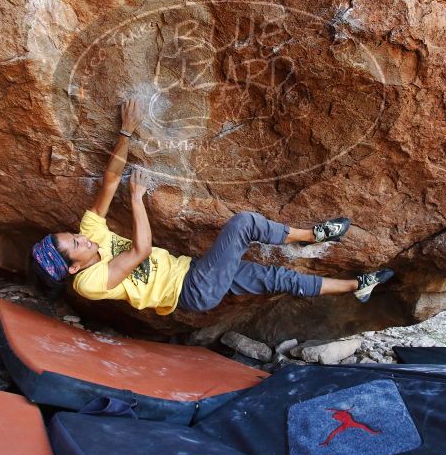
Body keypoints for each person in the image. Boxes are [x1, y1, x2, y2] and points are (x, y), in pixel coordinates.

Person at [30, 99, 394, 314]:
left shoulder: (90, 234)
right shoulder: (89, 283)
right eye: (77, 245)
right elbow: (140, 251)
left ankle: (356, 286)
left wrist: (126, 130)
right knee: (244, 224)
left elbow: (109, 181)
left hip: (195, 269)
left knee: (276, 279)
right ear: (74, 267)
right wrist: (138, 199)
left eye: (74, 235)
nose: (83, 238)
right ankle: (311, 235)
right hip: (191, 289)